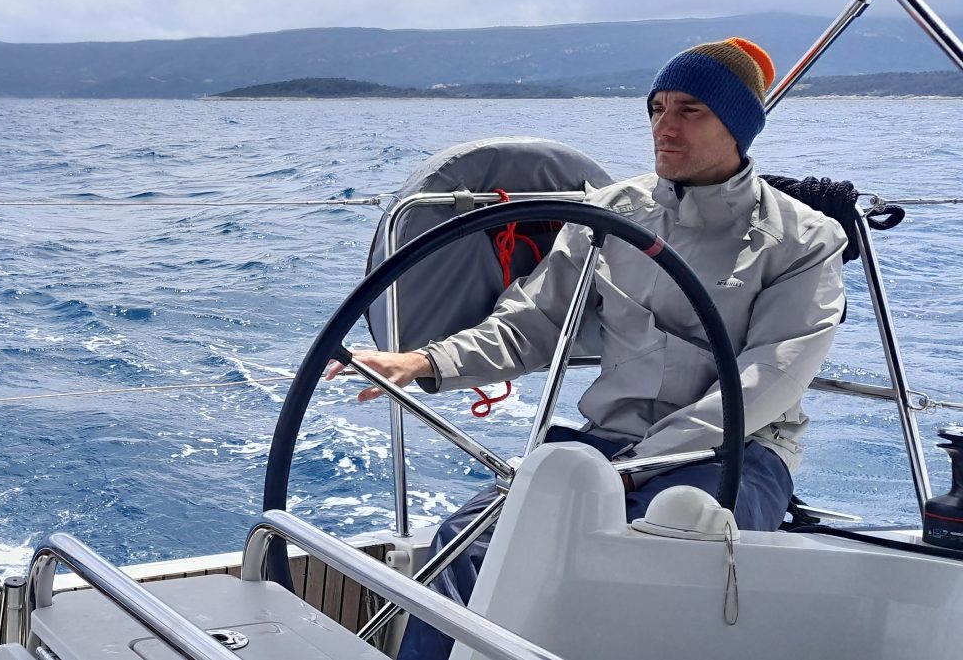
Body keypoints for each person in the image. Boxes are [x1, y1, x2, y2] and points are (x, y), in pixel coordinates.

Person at [327, 38, 848, 660]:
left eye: (690, 110)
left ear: (738, 125)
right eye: (657, 108)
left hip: (737, 451)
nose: (665, 126)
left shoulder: (805, 240)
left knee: (671, 547)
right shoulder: (609, 215)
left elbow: (771, 379)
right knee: (466, 542)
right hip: (608, 443)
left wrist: (637, 465)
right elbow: (532, 322)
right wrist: (424, 362)